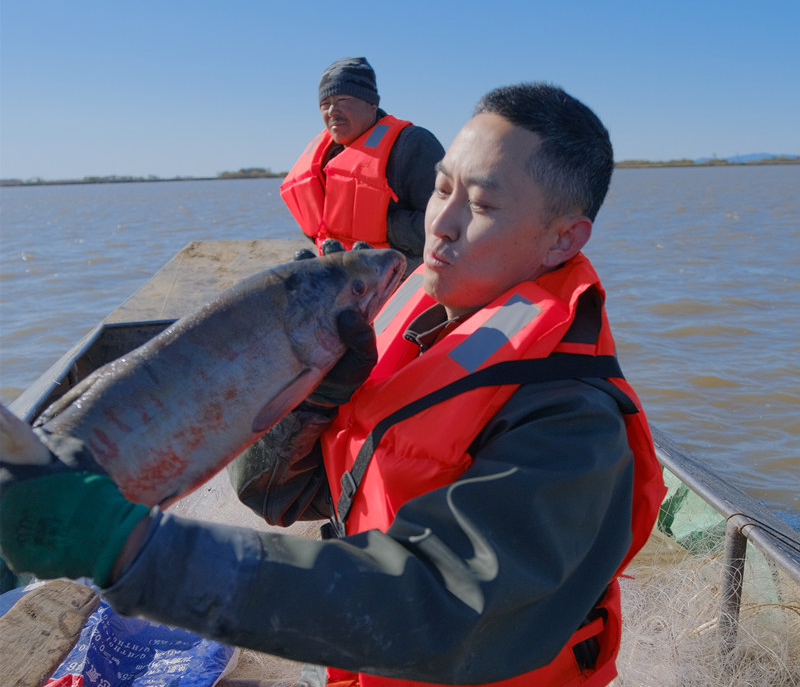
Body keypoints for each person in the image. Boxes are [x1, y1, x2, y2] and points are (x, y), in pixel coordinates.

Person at [0, 83, 666, 687]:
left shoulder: (572, 421)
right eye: (441, 189)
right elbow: (281, 497)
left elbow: (442, 612)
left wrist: (133, 551)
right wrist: (314, 402)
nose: (442, 223)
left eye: (484, 203)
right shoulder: (419, 324)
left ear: (561, 241)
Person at [280, 56, 444, 269]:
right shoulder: (323, 157)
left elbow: (451, 224)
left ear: (372, 103)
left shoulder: (414, 144)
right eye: (325, 104)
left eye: (342, 101)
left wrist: (383, 226)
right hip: (343, 275)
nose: (332, 111)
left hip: (398, 274)